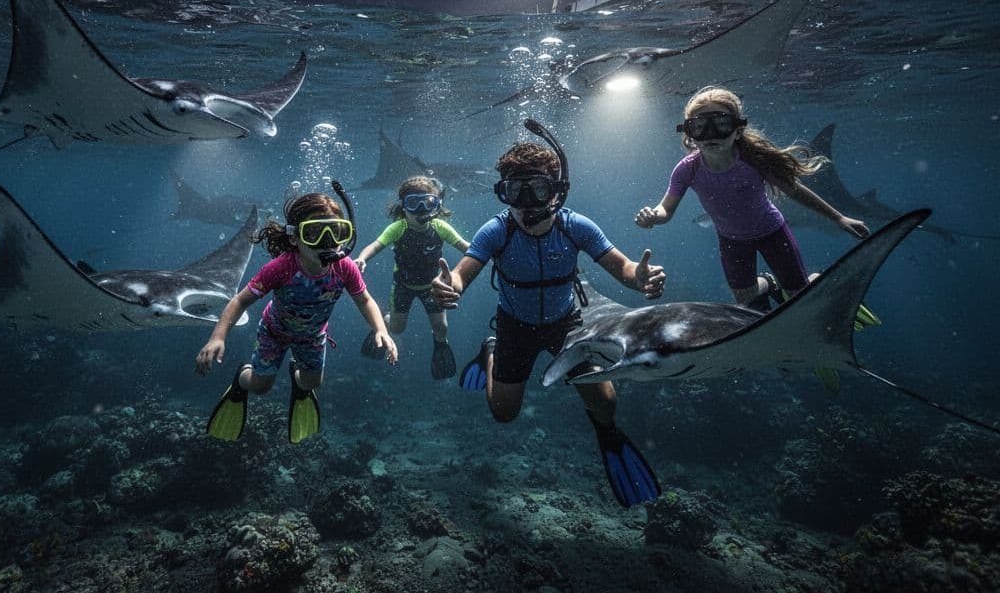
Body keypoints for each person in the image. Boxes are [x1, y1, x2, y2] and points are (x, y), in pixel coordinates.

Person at [431, 120, 667, 507]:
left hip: (566, 324)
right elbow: (460, 276)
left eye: (537, 190)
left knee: (606, 403)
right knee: (504, 415)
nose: (526, 203)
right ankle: (490, 351)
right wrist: (448, 287)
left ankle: (607, 437)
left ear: (556, 191)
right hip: (513, 328)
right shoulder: (497, 231)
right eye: (514, 191)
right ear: (502, 194)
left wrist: (639, 278)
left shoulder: (576, 226)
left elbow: (623, 268)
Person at [635, 86, 873, 316]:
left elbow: (795, 190)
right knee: (745, 299)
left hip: (772, 232)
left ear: (738, 130)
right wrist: (654, 216)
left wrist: (838, 217)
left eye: (721, 124)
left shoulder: (753, 159)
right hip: (731, 240)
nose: (710, 135)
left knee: (798, 294)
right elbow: (666, 208)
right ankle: (768, 284)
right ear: (689, 132)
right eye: (699, 126)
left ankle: (814, 280)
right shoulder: (686, 170)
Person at [196, 184, 398, 444]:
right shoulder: (280, 268)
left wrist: (381, 330)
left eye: (335, 232)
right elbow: (239, 301)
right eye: (314, 233)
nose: (327, 241)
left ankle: (295, 375)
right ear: (294, 237)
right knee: (260, 386)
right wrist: (218, 337)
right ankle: (240, 378)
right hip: (274, 333)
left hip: (313, 337)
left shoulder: (345, 268)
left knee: (312, 383)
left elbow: (365, 300)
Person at [354, 176, 470, 379]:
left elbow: (467, 248)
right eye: (414, 203)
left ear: (436, 205)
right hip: (403, 286)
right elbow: (375, 245)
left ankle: (440, 346)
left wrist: (488, 253)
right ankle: (381, 323)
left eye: (429, 202)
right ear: (403, 207)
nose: (421, 209)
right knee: (397, 329)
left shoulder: (439, 227)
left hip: (432, 286)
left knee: (441, 327)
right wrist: (362, 259)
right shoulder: (398, 228)